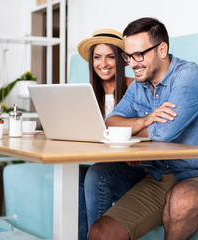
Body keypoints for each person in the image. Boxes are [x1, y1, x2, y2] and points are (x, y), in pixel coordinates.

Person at [88, 17, 198, 240]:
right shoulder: (139, 85)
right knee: (101, 233)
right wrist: (145, 121)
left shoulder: (188, 76)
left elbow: (165, 133)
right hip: (160, 176)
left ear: (162, 49)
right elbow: (111, 122)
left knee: (181, 198)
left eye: (139, 55)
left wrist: (138, 127)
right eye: (128, 56)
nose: (133, 63)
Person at [77, 29, 148, 240]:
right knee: (77, 174)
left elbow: (151, 128)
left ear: (121, 60)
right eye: (97, 57)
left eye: (110, 57)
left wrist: (129, 147)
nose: (103, 64)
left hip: (137, 170)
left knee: (97, 173)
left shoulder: (135, 88)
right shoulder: (88, 94)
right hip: (107, 164)